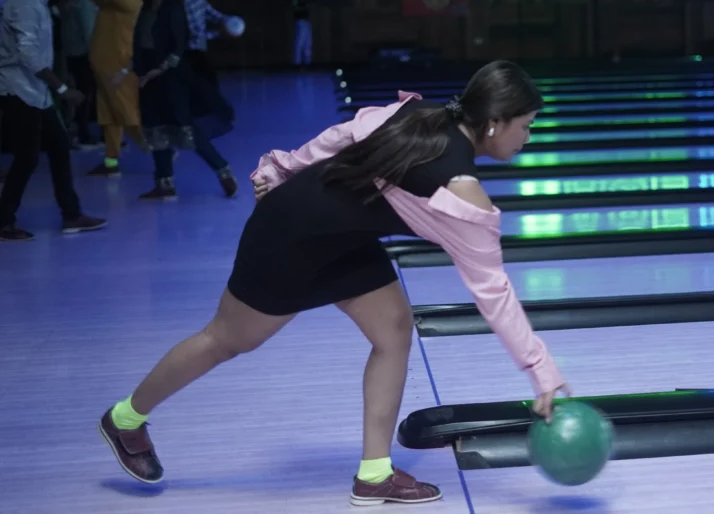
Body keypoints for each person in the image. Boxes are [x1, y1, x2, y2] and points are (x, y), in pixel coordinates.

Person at [98, 60, 569, 506]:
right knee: (225, 340)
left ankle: (374, 476)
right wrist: (542, 370)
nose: (527, 138)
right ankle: (125, 419)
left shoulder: (423, 115)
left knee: (394, 329)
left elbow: (341, 135)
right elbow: (493, 291)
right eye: (525, 125)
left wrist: (284, 168)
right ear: (495, 122)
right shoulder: (460, 190)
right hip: (290, 238)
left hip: (344, 238)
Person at [0, 0, 106, 241]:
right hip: (18, 90)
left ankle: (71, 214)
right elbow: (28, 55)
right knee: (28, 157)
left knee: (58, 146)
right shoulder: (24, 1)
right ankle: (3, 220)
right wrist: (62, 88)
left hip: (34, 90)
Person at [130, 0, 236, 200]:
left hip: (171, 76)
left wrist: (157, 70)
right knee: (156, 129)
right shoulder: (145, 9)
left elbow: (178, 46)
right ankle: (164, 183)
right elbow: (139, 43)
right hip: (148, 79)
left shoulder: (172, 8)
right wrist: (137, 71)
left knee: (184, 126)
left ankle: (223, 170)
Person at [86, 0, 144, 176]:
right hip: (104, 71)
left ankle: (160, 149)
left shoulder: (131, 1)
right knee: (109, 118)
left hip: (119, 71)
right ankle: (111, 162)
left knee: (128, 116)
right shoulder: (109, 2)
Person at [59, 0, 99, 148]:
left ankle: (74, 128)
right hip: (84, 54)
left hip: (69, 52)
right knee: (85, 94)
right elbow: (89, 31)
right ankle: (83, 133)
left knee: (76, 91)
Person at [180, 0, 226, 88]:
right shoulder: (186, 2)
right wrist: (218, 33)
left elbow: (210, 13)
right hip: (192, 49)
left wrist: (229, 21)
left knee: (206, 80)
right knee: (207, 80)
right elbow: (194, 32)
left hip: (200, 46)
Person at [290, 0, 309, 67]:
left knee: (307, 44)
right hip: (300, 21)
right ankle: (297, 64)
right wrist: (303, 8)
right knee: (299, 43)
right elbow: (294, 6)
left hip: (306, 21)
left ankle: (307, 64)